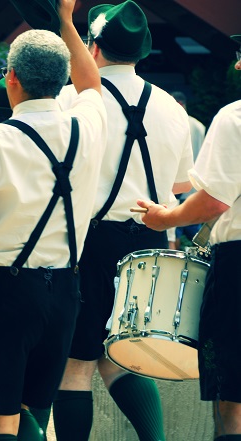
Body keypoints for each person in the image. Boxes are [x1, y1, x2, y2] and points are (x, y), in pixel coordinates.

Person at [0, 0, 106, 438]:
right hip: (66, 291)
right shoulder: (88, 127)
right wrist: (67, 21)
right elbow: (92, 84)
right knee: (34, 410)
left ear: (11, 78)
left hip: (6, 291)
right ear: (60, 80)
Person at [52, 2, 194, 440]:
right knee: (119, 358)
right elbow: (180, 183)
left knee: (74, 367)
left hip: (88, 240)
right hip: (148, 242)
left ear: (92, 47)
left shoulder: (74, 97)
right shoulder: (171, 106)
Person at [137, 35, 241, 441]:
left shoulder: (234, 118)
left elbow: (214, 200)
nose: (236, 66)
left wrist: (167, 219)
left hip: (238, 262)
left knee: (233, 395)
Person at [171, 90, 207, 247]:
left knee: (173, 232)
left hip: (177, 186)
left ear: (179, 104)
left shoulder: (174, 123)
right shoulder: (199, 125)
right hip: (196, 187)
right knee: (197, 232)